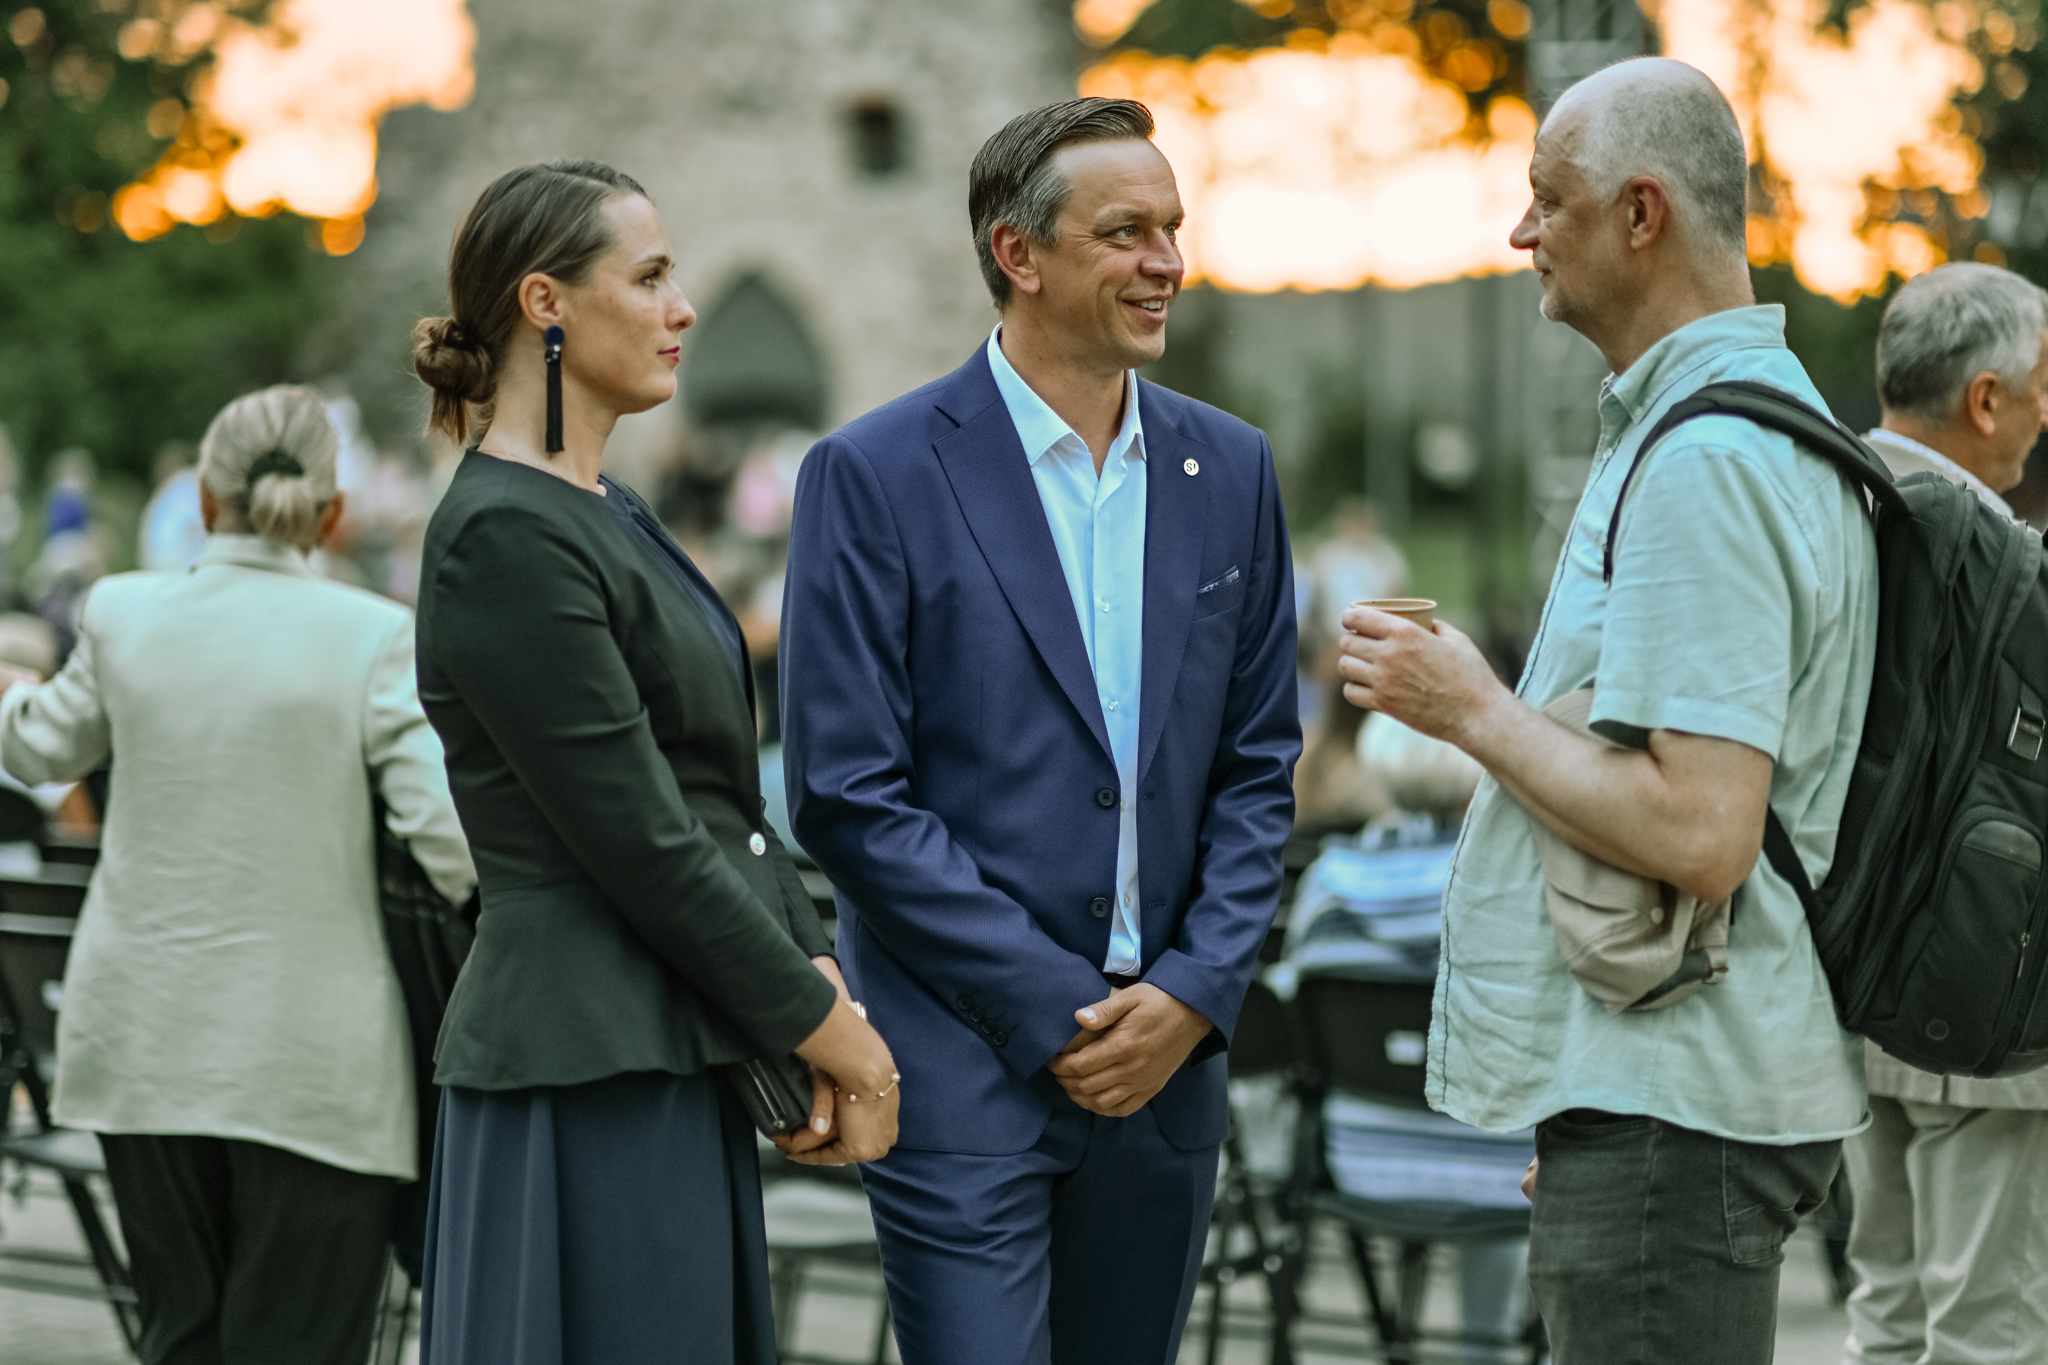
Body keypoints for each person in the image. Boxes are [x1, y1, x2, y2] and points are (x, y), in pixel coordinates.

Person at [1336, 59, 1876, 1363]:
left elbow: (1700, 832)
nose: (1519, 232)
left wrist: (1466, 707)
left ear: (1641, 213)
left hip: (1674, 1108)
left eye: (1547, 198)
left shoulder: (1707, 463)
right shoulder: (1751, 429)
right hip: (1659, 1098)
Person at [781, 98, 1301, 1364]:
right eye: (1126, 233)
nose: (1166, 262)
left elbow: (1257, 769)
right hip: (962, 1074)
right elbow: (847, 794)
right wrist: (1058, 1008)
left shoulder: (1232, 469)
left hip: (1163, 1080)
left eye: (1171, 229)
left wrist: (1189, 994)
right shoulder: (874, 472)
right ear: (1017, 253)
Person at [407, 159, 899, 1365]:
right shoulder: (501, 535)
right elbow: (640, 839)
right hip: (581, 1064)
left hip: (671, 1038)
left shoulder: (606, 507)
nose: (682, 309)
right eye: (649, 278)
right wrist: (833, 1034)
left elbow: (718, 802)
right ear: (545, 303)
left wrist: (814, 967)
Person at [0, 384, 476, 1365]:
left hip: (141, 1046)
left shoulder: (120, 612)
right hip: (315, 1068)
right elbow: (452, 845)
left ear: (205, 499)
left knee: (181, 1337)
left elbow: (38, 746)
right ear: (332, 513)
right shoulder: (372, 635)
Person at [1839, 263, 2048, 1365]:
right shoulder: (1999, 556)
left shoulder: (1825, 502)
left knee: (1884, 1311)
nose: (2045, 414)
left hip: (1841, 991)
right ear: (1984, 398)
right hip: (1983, 1009)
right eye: (2040, 386)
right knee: (1988, 1331)